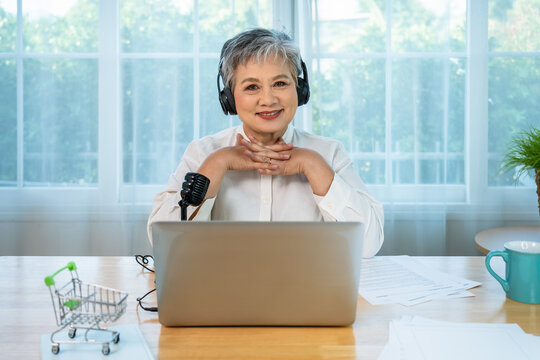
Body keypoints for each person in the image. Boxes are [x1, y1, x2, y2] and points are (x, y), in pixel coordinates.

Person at [147, 28, 384, 258]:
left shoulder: (329, 153)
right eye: (252, 87)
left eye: (280, 83)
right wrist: (218, 164)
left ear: (299, 89)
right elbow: (163, 242)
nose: (268, 99)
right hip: (223, 292)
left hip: (306, 293)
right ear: (229, 98)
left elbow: (367, 244)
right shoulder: (204, 153)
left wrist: (312, 164)